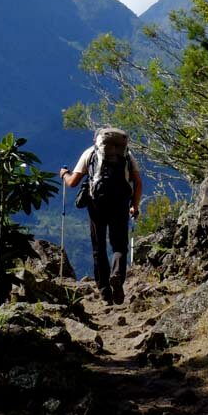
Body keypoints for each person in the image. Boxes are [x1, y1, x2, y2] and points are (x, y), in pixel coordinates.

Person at [60, 127, 142, 306]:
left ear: (96, 141)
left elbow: (73, 182)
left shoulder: (89, 153)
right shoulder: (127, 155)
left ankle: (105, 293)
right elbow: (137, 181)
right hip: (120, 204)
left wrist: (64, 174)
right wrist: (134, 206)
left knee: (99, 248)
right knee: (119, 245)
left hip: (97, 205)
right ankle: (117, 277)